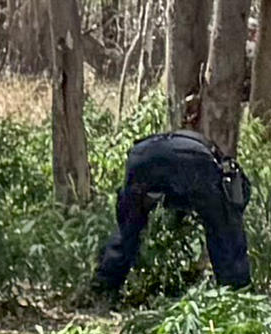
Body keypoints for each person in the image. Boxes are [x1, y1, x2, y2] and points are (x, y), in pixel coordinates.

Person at [93, 124, 253, 299]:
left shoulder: (213, 163)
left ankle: (103, 287)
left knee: (128, 228)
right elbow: (227, 232)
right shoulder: (220, 175)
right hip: (189, 160)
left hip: (140, 156)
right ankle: (237, 294)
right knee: (225, 230)